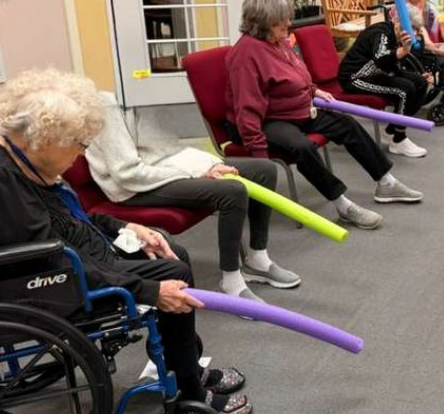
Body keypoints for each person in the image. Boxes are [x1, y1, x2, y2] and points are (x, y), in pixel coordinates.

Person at [0, 69, 252, 414]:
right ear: (45, 139)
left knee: (168, 253)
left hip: (42, 258)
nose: (80, 154)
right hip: (26, 283)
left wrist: (125, 227)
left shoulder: (4, 150)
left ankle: (183, 364)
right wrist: (151, 291)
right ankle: (190, 391)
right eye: (78, 144)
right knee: (173, 271)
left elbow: (61, 220)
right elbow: (49, 257)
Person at [225, 0, 422, 231]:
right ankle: (343, 205)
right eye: (282, 21)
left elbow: (296, 75)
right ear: (263, 23)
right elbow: (247, 109)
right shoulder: (247, 55)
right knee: (303, 147)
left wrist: (313, 90)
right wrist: (259, 159)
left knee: (346, 124)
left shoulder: (276, 41)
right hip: (267, 121)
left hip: (296, 111)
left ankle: (386, 183)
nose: (289, 23)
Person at [85, 92, 299, 302]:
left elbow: (172, 151)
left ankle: (257, 259)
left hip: (161, 170)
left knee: (265, 170)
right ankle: (231, 280)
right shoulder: (109, 106)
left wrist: (212, 165)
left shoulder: (148, 99)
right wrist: (197, 173)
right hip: (133, 188)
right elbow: (127, 173)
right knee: (232, 192)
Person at [337, 14, 431, 157]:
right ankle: (399, 139)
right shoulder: (381, 33)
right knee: (404, 89)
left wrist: (415, 74)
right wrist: (403, 51)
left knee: (420, 83)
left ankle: (391, 131)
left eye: (418, 30)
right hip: (355, 77)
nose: (415, 33)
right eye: (412, 28)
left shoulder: (397, 34)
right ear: (398, 22)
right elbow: (381, 58)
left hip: (375, 73)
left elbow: (392, 65)